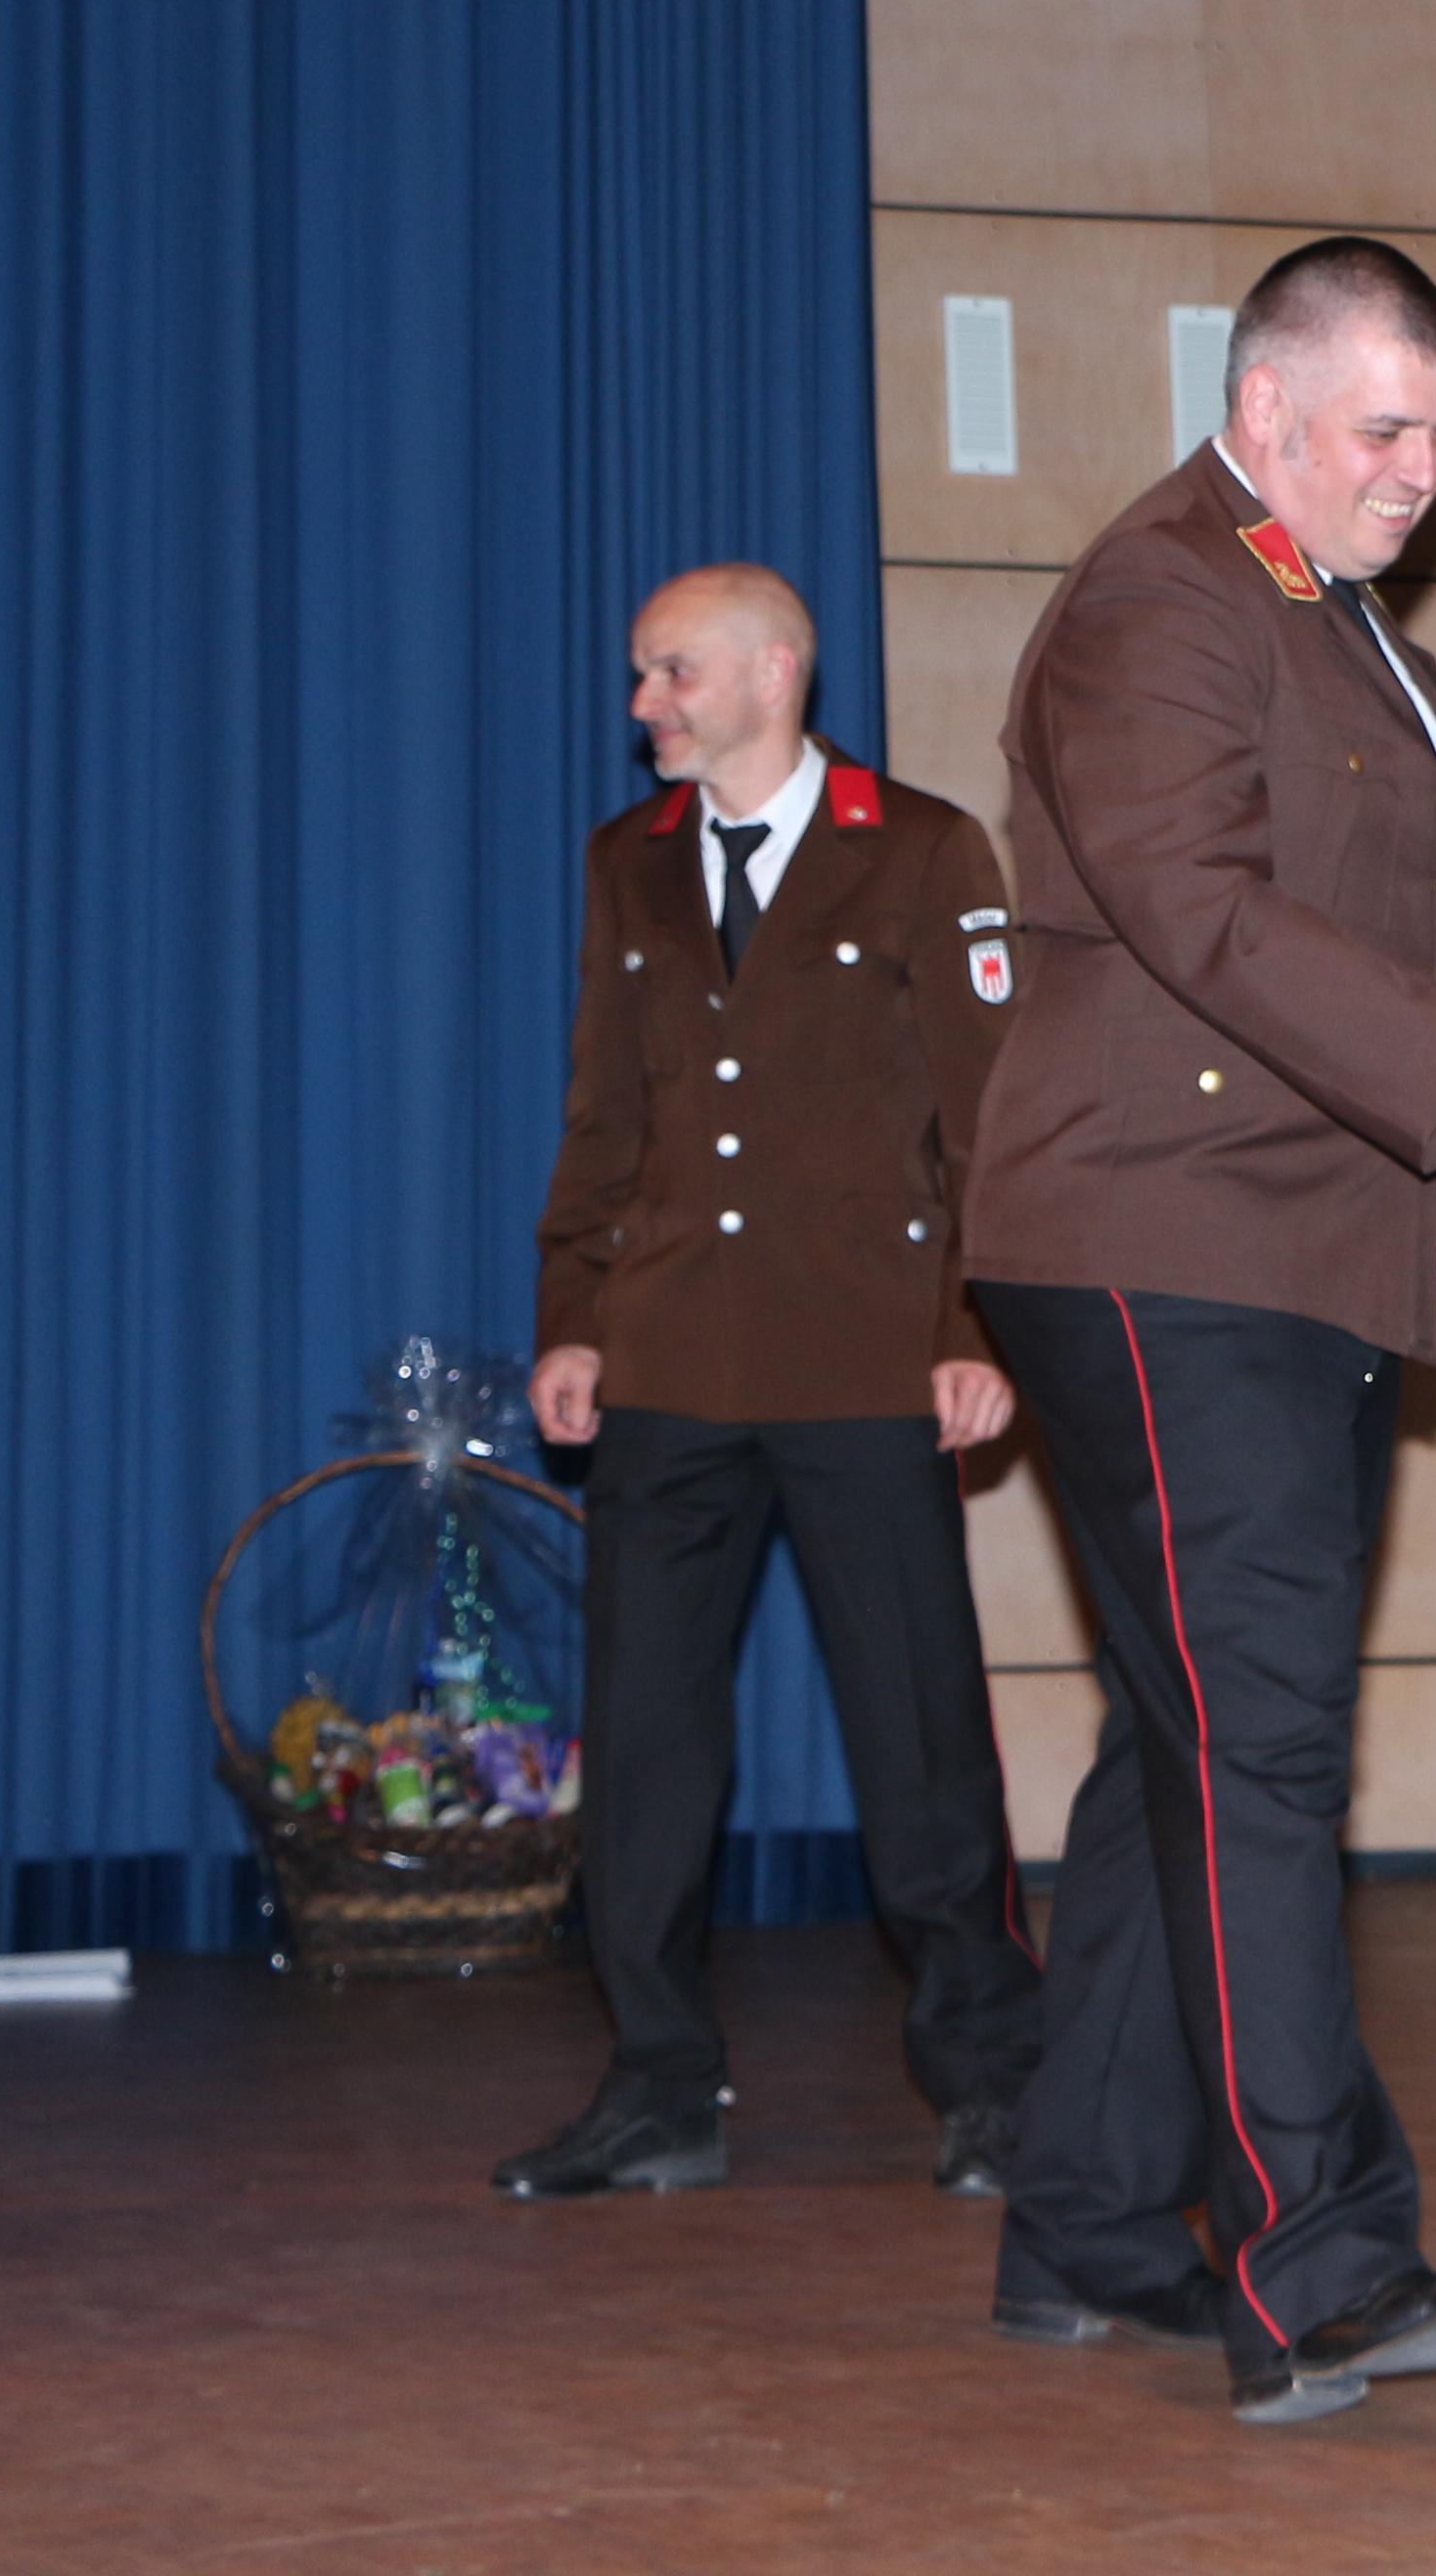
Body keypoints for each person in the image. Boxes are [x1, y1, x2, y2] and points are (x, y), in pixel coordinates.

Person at [966, 234, 1436, 2428]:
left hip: (1287, 1244)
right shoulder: (1162, 598)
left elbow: (1388, 944)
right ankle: (1321, 2268)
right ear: (1262, 411)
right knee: (1262, 1747)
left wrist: (1433, 1212)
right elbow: (1202, 910)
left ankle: (1089, 2222)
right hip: (1158, 1240)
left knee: (1186, 1741)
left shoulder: (1342, 619)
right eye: (1384, 429)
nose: (1421, 471)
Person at [503, 563, 1048, 2205]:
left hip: (865, 1357)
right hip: (668, 1355)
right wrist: (574, 1312)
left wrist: (975, 1329)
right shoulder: (629, 860)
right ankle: (658, 2085)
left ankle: (992, 2080)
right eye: (642, 675)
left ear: (773, 671)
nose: (644, 705)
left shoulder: (923, 849)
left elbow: (990, 1122)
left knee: (920, 1739)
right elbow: (603, 1110)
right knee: (647, 1746)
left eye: (672, 672)